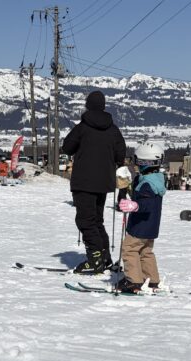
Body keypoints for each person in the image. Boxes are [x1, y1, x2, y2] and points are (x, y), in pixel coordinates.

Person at [62, 90, 126, 273]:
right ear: (103, 106)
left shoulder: (82, 128)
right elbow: (121, 155)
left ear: (88, 105)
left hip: (83, 182)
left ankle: (95, 258)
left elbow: (67, 147)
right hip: (104, 182)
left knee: (85, 221)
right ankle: (104, 257)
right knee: (97, 220)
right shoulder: (113, 129)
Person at [116, 141, 166, 294]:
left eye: (136, 161)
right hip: (151, 226)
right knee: (145, 251)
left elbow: (147, 204)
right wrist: (127, 186)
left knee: (129, 249)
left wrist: (135, 206)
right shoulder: (155, 179)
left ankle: (133, 281)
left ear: (145, 162)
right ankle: (152, 280)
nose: (135, 164)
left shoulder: (147, 184)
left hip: (140, 226)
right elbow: (141, 195)